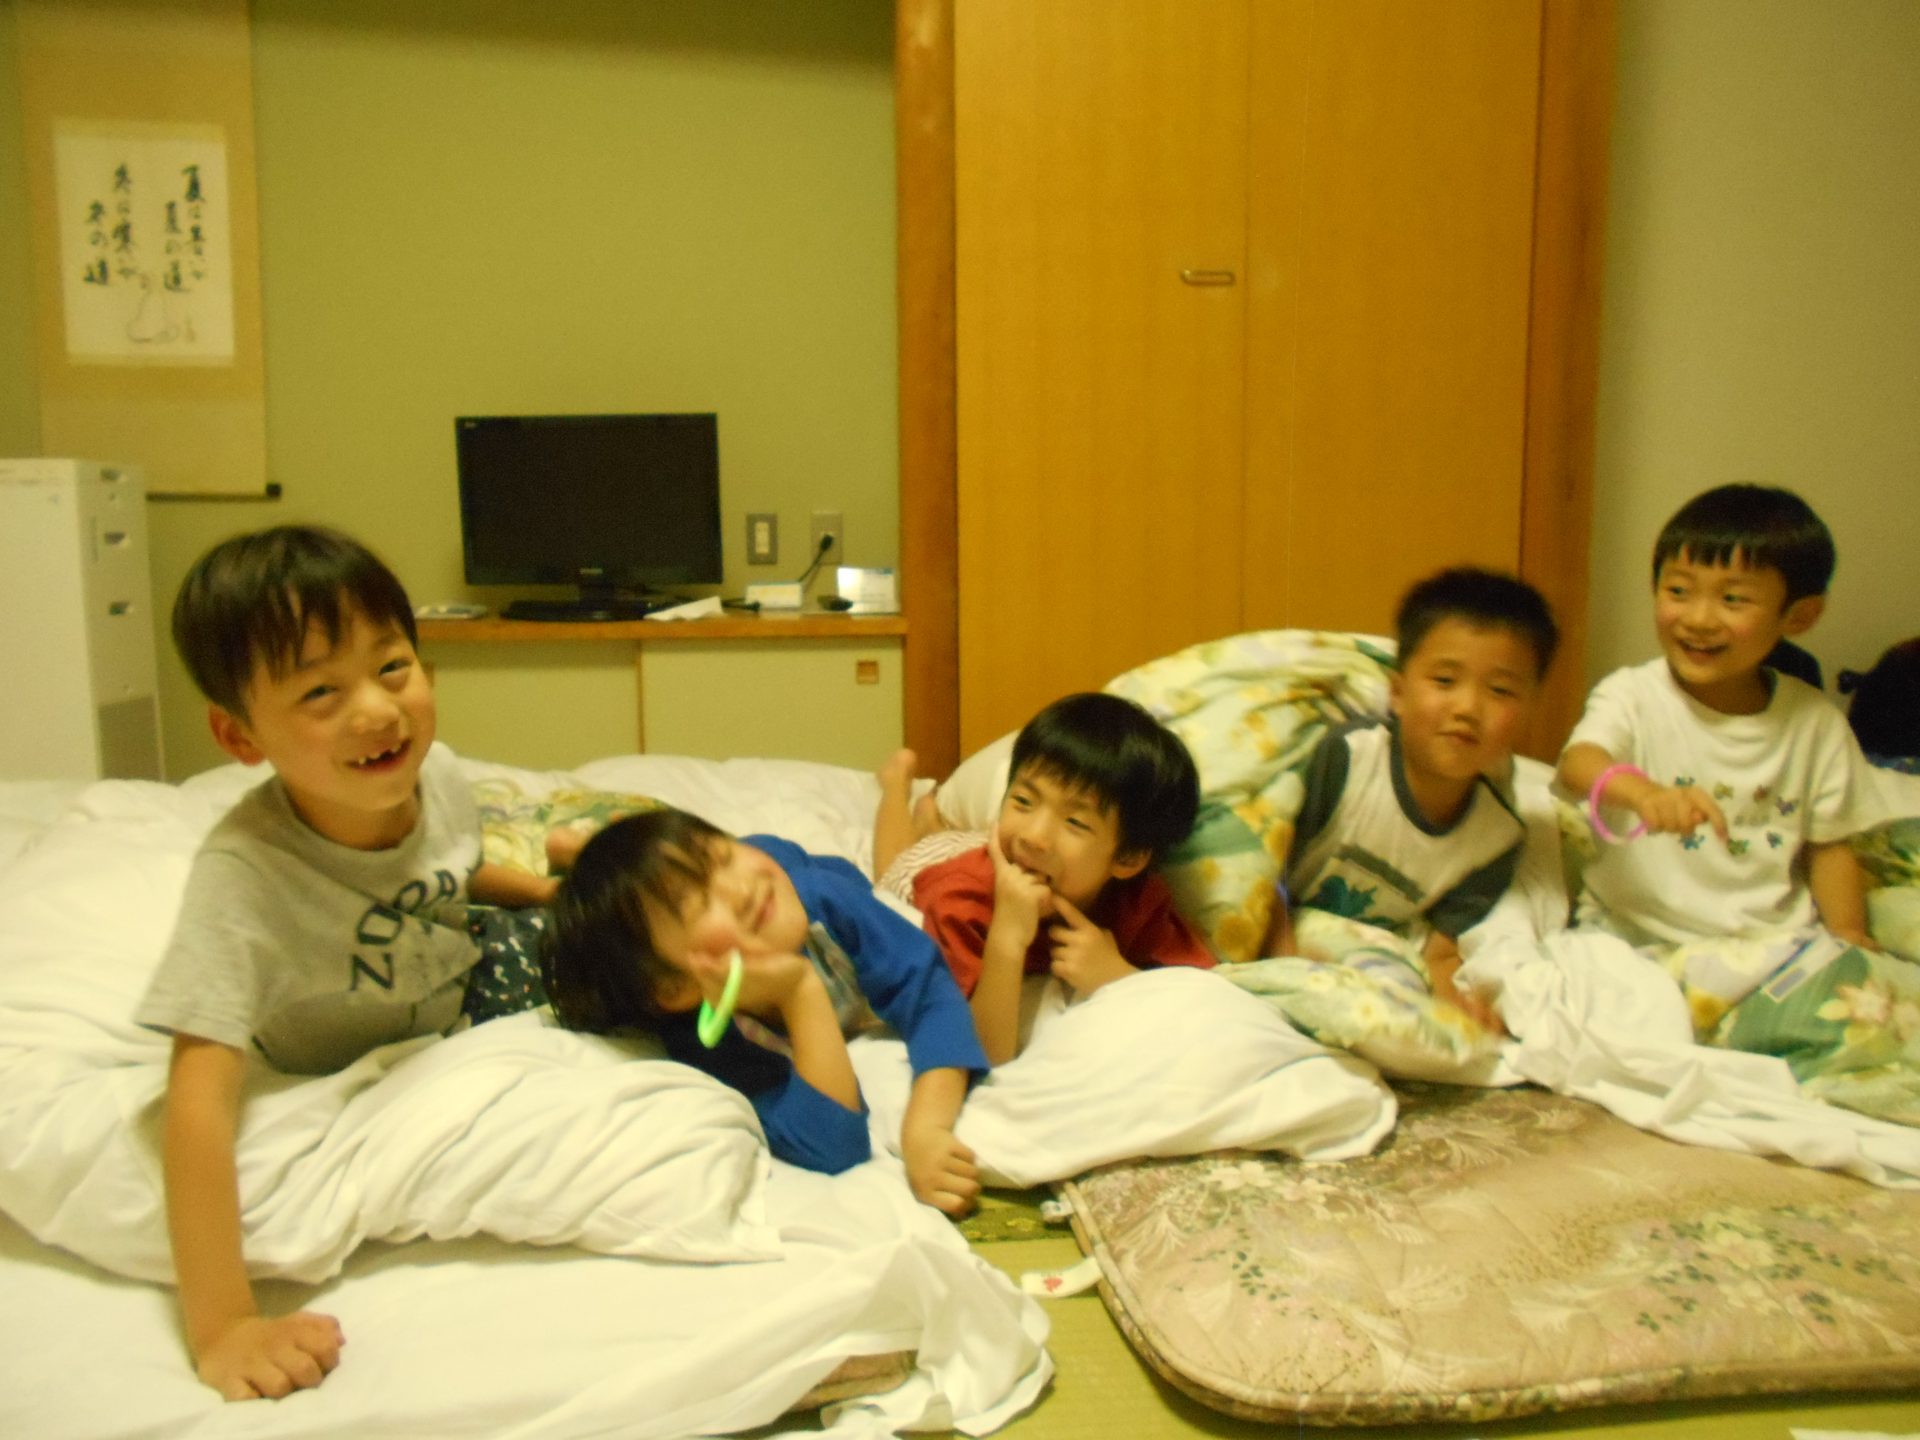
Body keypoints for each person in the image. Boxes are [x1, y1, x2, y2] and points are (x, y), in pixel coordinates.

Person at [136, 525, 555, 1403]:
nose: (376, 711)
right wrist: (223, 1326)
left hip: (466, 978)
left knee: (650, 914)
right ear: (239, 735)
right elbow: (196, 1106)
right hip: (365, 1049)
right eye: (320, 691)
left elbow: (450, 875)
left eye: (392, 667)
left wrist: (547, 894)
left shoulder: (438, 777)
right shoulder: (244, 881)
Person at [542, 808, 988, 1217]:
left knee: (780, 858)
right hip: (759, 912)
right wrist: (799, 991)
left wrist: (927, 1127)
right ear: (675, 990)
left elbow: (933, 995)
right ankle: (581, 857)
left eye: (722, 856)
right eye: (697, 904)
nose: (740, 890)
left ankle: (584, 847)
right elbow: (834, 1142)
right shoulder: (703, 1037)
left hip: (804, 869)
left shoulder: (824, 902)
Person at [1557, 483, 1880, 949]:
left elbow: (1828, 845)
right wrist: (1645, 794)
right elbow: (1579, 763)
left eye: (1732, 599)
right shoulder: (1632, 694)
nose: (1699, 619)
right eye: (1678, 591)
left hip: (1770, 941)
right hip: (1631, 934)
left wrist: (1848, 934)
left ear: (1799, 616)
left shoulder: (1815, 723)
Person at [1267, 568, 1559, 1031]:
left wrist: (1455, 1013)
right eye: (1444, 680)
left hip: (1362, 961)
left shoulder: (1497, 837)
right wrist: (1286, 970)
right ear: (1398, 693)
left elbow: (1439, 955)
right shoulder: (1345, 761)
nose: (1467, 708)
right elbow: (1266, 871)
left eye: (1500, 690)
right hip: (1281, 934)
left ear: (1529, 710)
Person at [876, 692, 1214, 1067]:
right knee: (893, 865)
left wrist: (1118, 976)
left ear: (1128, 858)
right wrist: (1006, 938)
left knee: (956, 841)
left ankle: (931, 821)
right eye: (1023, 800)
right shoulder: (959, 898)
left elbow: (1203, 992)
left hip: (995, 853)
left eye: (1075, 822)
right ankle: (896, 786)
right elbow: (977, 1053)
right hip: (935, 867)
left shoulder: (1136, 902)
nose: (1034, 835)